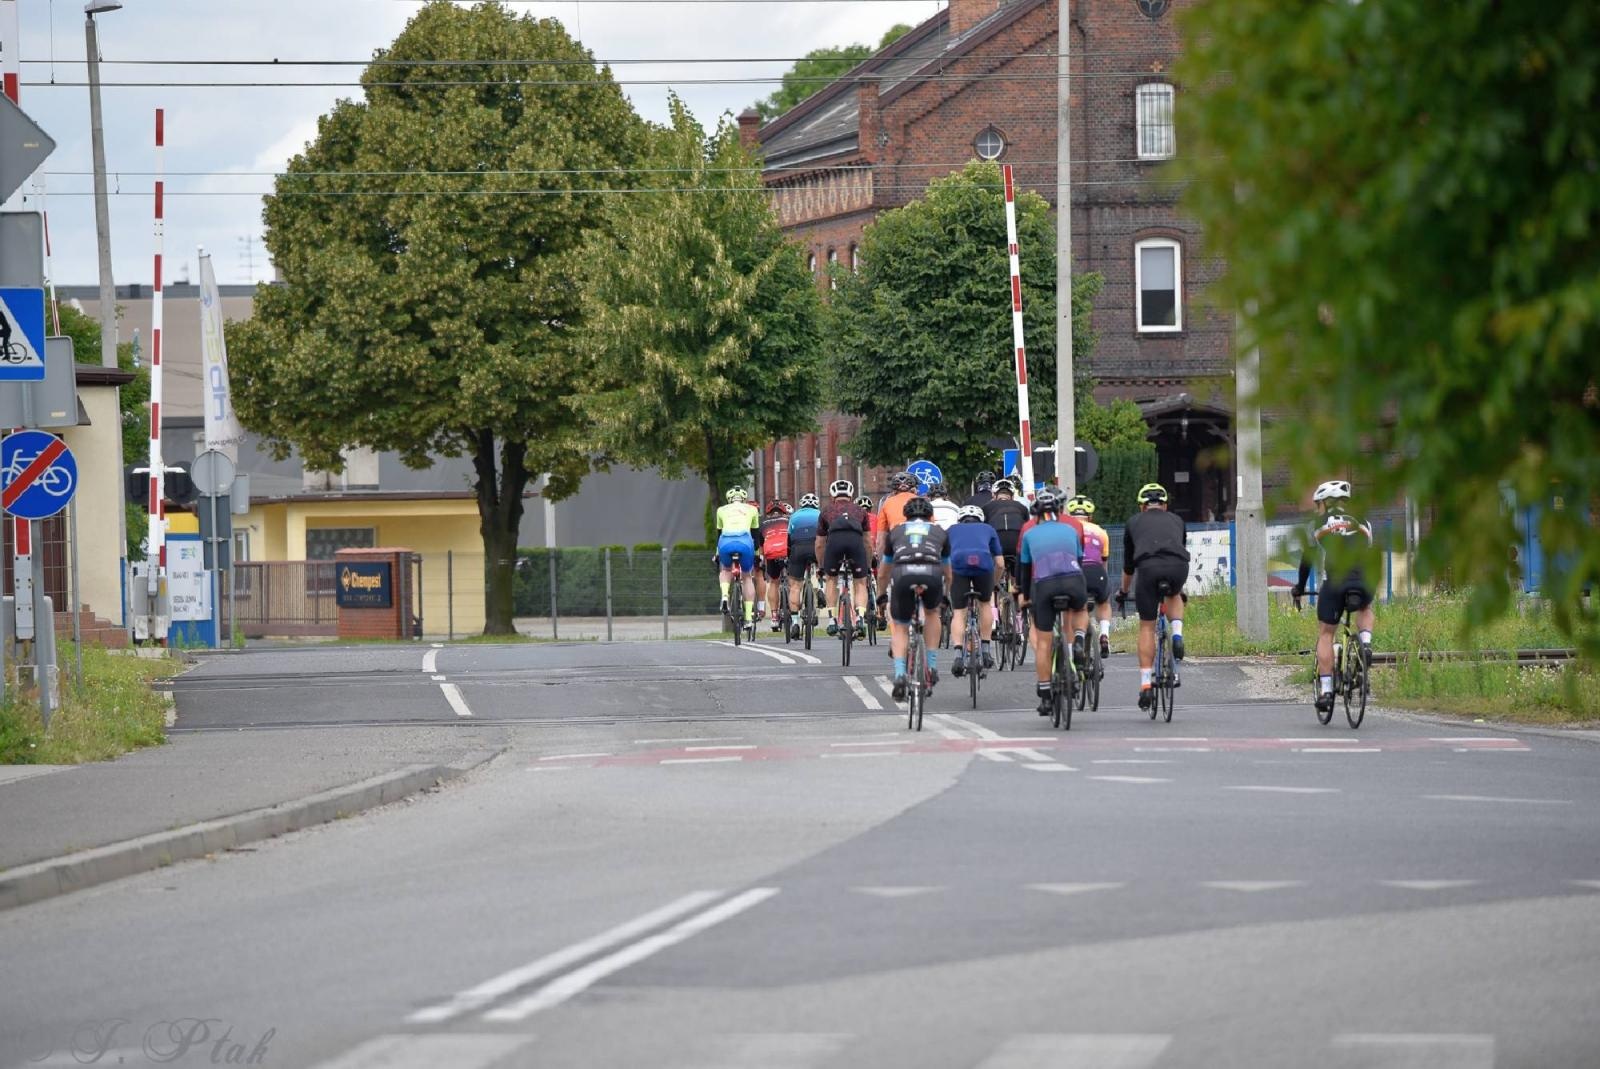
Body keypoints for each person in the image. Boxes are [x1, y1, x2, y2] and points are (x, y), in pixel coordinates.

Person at [1292, 479, 1379, 716]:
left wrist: (1299, 587)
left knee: (1326, 633)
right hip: (1363, 579)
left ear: (1326, 503)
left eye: (1318, 503)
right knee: (1365, 608)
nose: (1316, 508)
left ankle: (1327, 692)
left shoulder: (1317, 524)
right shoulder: (1364, 522)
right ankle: (1366, 643)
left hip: (1336, 582)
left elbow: (1307, 561)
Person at [1115, 483, 1190, 711]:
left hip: (1148, 568)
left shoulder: (1133, 522)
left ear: (1142, 506)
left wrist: (1124, 592)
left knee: (1147, 627)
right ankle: (1177, 634)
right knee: (1175, 593)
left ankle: (1146, 684)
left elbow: (1129, 566)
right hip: (1178, 567)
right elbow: (1179, 547)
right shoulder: (1177, 520)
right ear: (1165, 505)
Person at [1017, 487, 1088, 715]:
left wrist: (1026, 597)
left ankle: (1046, 695)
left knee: (1044, 643)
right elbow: (1078, 559)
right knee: (1080, 608)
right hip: (1073, 580)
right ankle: (1078, 639)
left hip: (1044, 585)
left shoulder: (1029, 534)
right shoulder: (1071, 530)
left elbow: (1025, 571)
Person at [879, 494, 948, 699]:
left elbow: (883, 571)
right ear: (930, 516)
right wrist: (946, 595)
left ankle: (900, 674)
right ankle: (932, 666)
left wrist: (882, 595)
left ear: (905, 516)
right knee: (933, 612)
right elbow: (949, 571)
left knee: (900, 625)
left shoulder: (896, 532)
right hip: (932, 573)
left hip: (903, 574)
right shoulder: (939, 532)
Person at [947, 505, 1003, 677]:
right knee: (985, 604)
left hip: (958, 567)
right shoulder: (988, 529)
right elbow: (1000, 563)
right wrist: (993, 583)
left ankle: (957, 654)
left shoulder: (951, 530)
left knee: (958, 612)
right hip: (983, 566)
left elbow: (944, 558)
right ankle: (985, 649)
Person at [816, 479, 871, 638]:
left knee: (831, 579)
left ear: (833, 495)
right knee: (860, 582)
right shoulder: (861, 511)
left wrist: (821, 566)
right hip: (855, 543)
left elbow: (819, 543)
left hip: (835, 543)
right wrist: (867, 565)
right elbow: (867, 541)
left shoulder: (826, 511)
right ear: (851, 494)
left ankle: (832, 620)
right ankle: (860, 618)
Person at [1066, 494, 1113, 663]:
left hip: (1075, 572)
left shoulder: (1066, 529)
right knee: (1104, 601)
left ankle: (1073, 649)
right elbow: (1103, 564)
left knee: (1073, 609)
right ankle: (1105, 634)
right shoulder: (1101, 532)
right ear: (1090, 516)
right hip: (1096, 573)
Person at [714, 487, 760, 627]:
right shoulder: (752, 510)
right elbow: (756, 537)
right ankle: (747, 618)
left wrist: (717, 554)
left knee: (726, 570)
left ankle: (724, 596)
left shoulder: (721, 510)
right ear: (744, 499)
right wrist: (757, 555)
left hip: (725, 542)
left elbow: (719, 535)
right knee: (746, 576)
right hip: (744, 542)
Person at [785, 492, 823, 639]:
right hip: (816, 546)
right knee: (822, 570)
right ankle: (821, 588)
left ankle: (795, 622)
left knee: (795, 586)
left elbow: (788, 538)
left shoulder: (794, 516)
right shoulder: (820, 514)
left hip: (798, 548)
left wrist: (789, 557)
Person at [982, 478, 1031, 587]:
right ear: (1012, 496)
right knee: (1018, 570)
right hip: (1016, 540)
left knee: (990, 566)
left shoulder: (986, 507)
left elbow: (982, 529)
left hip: (997, 540)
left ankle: (991, 590)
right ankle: (1017, 589)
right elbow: (1027, 527)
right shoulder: (1022, 507)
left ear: (994, 495)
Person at [759, 500, 793, 632]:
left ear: (768, 514)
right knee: (793, 581)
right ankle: (794, 610)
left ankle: (774, 616)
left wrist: (762, 562)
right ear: (784, 512)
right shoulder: (789, 520)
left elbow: (761, 547)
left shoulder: (763, 524)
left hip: (771, 553)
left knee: (773, 582)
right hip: (787, 551)